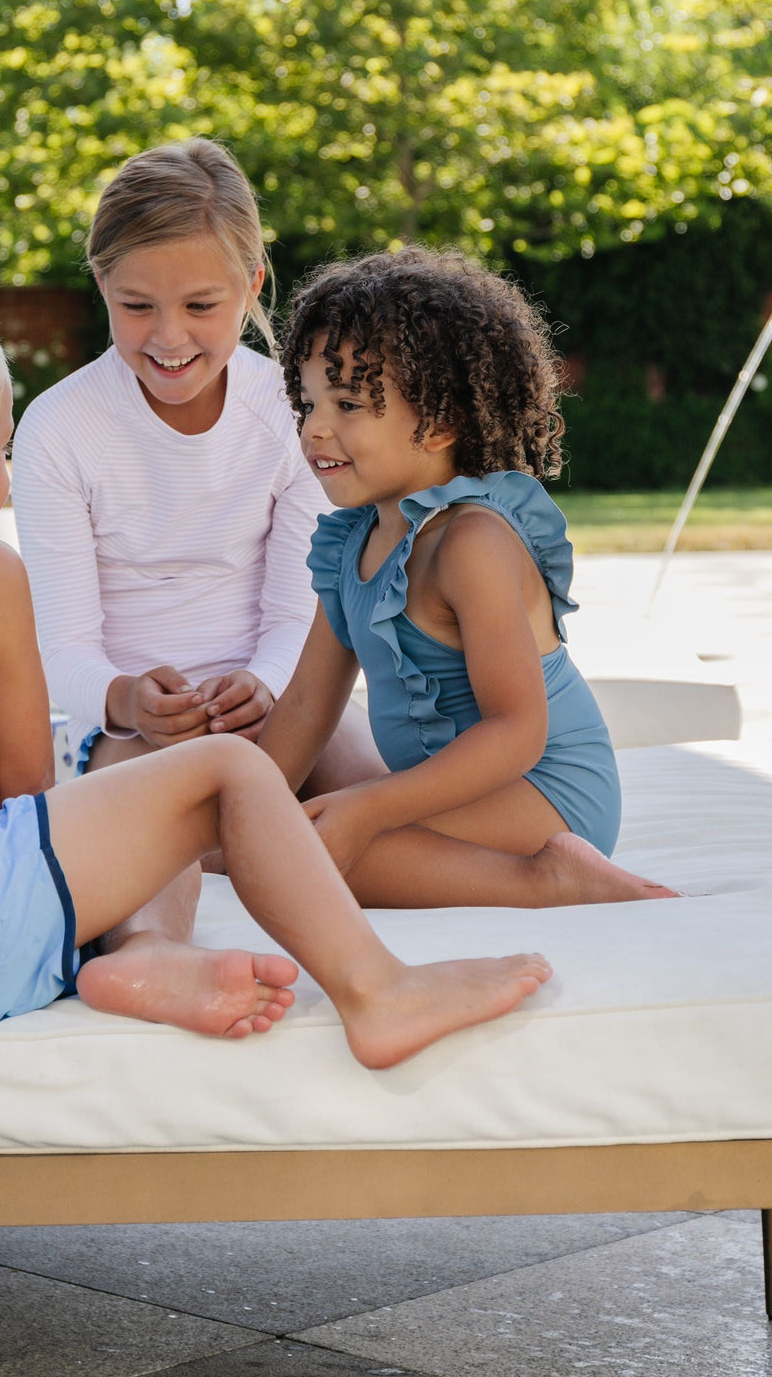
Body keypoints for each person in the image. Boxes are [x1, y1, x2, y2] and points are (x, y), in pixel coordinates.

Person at [0, 270, 552, 1067]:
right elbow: (28, 788)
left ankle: (144, 953)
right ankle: (376, 992)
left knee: (153, 805)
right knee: (223, 770)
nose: (6, 474)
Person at [10, 137, 383, 958]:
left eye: (202, 306)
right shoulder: (60, 429)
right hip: (132, 730)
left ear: (252, 286)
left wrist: (268, 685)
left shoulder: (288, 410)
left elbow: (298, 614)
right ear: (102, 284)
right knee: (127, 816)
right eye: (137, 305)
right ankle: (152, 957)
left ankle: (530, 879)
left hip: (273, 704)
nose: (169, 337)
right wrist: (127, 699)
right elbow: (64, 645)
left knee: (372, 786)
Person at [260, 246, 679, 909]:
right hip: (451, 789)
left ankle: (552, 879)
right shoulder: (349, 545)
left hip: (544, 793)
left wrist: (368, 809)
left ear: (441, 422)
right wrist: (236, 813)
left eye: (346, 404)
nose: (314, 430)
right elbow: (308, 709)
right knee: (258, 841)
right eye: (307, 404)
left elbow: (517, 731)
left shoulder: (471, 542)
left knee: (311, 858)